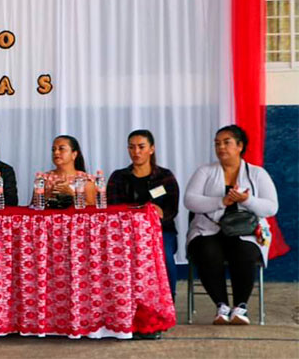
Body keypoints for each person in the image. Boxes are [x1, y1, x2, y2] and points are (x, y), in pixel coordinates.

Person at [185, 125, 278, 325]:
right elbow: (189, 201)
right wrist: (221, 202)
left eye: (227, 143)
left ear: (240, 146)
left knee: (244, 252)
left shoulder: (257, 174)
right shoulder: (205, 171)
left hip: (245, 231)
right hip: (208, 229)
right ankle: (222, 306)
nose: (221, 148)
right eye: (217, 143)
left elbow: (271, 207)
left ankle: (240, 307)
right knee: (207, 252)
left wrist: (247, 200)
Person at [107, 129, 180, 302]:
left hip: (161, 232)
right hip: (125, 234)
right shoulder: (118, 177)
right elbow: (111, 208)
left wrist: (160, 213)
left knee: (164, 255)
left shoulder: (164, 176)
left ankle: (168, 301)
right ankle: (124, 303)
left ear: (151, 149)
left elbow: (172, 208)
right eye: (132, 147)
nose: (136, 152)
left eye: (141, 147)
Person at [36, 135, 96, 205]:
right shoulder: (44, 178)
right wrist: (47, 195)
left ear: (74, 154)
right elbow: (32, 208)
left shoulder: (86, 179)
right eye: (53, 149)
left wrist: (71, 195)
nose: (56, 152)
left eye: (61, 149)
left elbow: (92, 209)